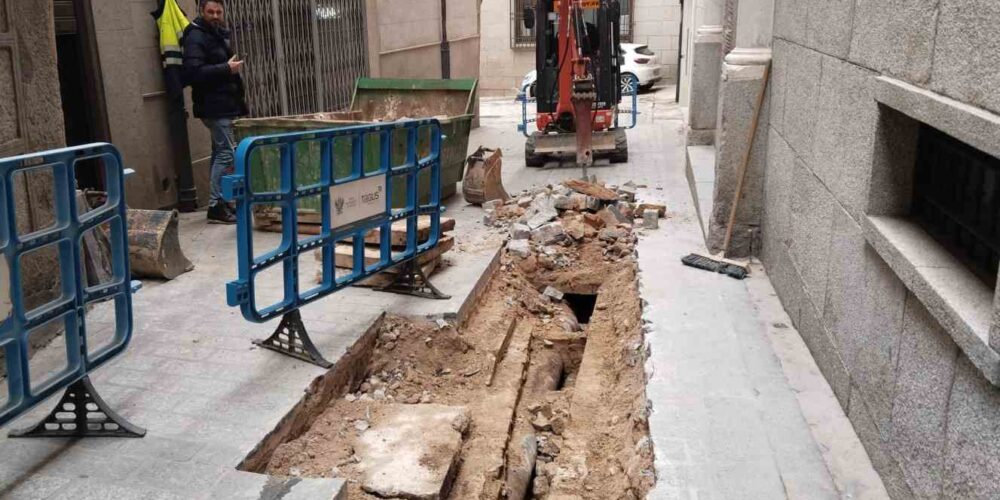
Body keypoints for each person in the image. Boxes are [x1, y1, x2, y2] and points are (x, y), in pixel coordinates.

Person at [182, 0, 247, 224]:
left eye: (219, 11)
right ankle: (215, 205)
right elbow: (193, 72)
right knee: (227, 153)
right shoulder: (196, 36)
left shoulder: (215, 34)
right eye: (211, 11)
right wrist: (226, 68)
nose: (216, 15)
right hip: (214, 106)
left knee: (220, 152)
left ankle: (220, 201)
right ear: (202, 12)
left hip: (222, 104)